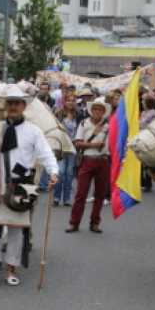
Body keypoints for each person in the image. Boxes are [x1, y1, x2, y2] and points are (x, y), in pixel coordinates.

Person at [0, 85, 59, 287]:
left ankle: (11, 270)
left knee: (16, 231)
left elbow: (46, 154)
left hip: (21, 186)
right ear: (6, 106)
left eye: (17, 103)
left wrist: (54, 172)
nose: (13, 106)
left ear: (23, 106)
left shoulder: (34, 131)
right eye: (10, 103)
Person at [66, 97, 111, 234]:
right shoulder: (84, 123)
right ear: (91, 110)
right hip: (87, 160)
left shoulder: (108, 126)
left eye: (100, 109)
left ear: (104, 112)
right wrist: (93, 145)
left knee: (100, 195)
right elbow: (77, 143)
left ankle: (95, 223)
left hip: (103, 161)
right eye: (95, 108)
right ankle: (74, 223)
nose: (97, 111)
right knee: (81, 194)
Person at [53, 94, 79, 207]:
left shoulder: (79, 115)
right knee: (61, 172)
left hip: (73, 148)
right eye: (68, 100)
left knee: (69, 174)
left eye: (73, 100)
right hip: (61, 147)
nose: (71, 102)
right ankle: (56, 197)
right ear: (64, 102)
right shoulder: (58, 114)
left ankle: (67, 198)